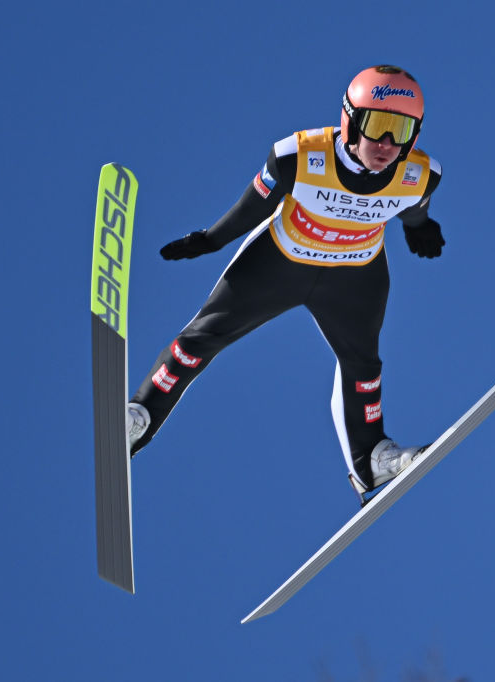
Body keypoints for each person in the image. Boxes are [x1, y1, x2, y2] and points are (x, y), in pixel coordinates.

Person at [127, 65, 445, 501]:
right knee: (200, 339)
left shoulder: (422, 173)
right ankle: (138, 416)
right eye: (378, 125)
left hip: (355, 275)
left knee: (364, 366)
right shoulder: (299, 155)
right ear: (350, 120)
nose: (389, 144)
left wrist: (419, 227)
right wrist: (211, 239)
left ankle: (371, 460)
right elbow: (253, 205)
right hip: (281, 263)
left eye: (402, 129)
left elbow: (413, 206)